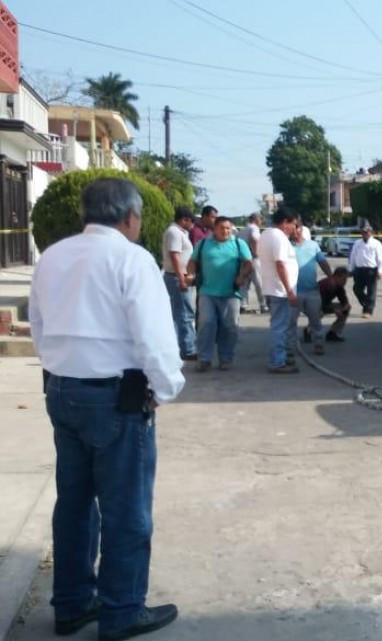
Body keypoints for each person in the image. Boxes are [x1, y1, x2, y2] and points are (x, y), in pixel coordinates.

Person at [28, 178, 184, 640]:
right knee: (126, 508)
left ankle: (73, 604)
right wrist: (166, 386)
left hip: (63, 390)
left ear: (85, 214)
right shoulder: (131, 258)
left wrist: (62, 366)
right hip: (115, 397)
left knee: (74, 503)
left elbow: (38, 324)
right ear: (130, 217)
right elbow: (153, 335)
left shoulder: (53, 255)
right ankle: (121, 611)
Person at [187, 217, 252, 372]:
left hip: (231, 293)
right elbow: (193, 262)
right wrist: (190, 275)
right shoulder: (203, 244)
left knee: (229, 327)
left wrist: (241, 276)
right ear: (214, 229)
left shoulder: (238, 244)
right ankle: (204, 359)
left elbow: (248, 263)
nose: (226, 231)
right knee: (206, 323)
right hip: (207, 292)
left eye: (228, 228)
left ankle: (226, 358)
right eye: (222, 228)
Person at [259, 208, 300, 373]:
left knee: (279, 326)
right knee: (280, 327)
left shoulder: (266, 234)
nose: (294, 229)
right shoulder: (279, 238)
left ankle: (279, 357)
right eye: (293, 225)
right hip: (281, 290)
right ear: (285, 223)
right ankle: (277, 361)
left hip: (274, 288)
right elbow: (280, 264)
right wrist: (289, 291)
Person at [291, 224, 333, 355]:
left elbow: (323, 262)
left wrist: (330, 277)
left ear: (301, 230)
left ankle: (319, 343)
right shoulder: (286, 246)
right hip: (294, 290)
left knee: (315, 318)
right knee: (291, 321)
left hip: (311, 290)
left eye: (297, 228)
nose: (295, 231)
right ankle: (289, 347)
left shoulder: (313, 246)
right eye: (292, 229)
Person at [161, 207, 197, 361]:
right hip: (177, 276)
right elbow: (175, 256)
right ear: (184, 220)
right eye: (191, 221)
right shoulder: (174, 233)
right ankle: (188, 349)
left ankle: (185, 346)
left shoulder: (180, 232)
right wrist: (181, 279)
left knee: (183, 313)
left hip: (179, 276)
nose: (193, 225)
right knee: (184, 314)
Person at [348, 223, 382, 318]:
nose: (366, 233)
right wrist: (351, 269)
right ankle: (367, 304)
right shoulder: (357, 243)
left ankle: (368, 310)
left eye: (368, 232)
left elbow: (381, 258)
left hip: (371, 270)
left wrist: (380, 271)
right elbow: (353, 257)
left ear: (371, 232)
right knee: (357, 289)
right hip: (359, 270)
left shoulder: (376, 244)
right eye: (364, 232)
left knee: (371, 291)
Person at [238, 213, 269, 314]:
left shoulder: (243, 230)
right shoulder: (254, 228)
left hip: (242, 259)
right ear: (256, 220)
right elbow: (255, 239)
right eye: (261, 220)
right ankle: (263, 305)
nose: (261, 222)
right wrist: (256, 254)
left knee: (244, 283)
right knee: (259, 283)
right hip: (252, 258)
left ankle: (243, 305)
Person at [317, 267, 352, 343]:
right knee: (319, 312)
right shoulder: (325, 284)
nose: (345, 282)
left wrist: (345, 306)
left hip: (325, 304)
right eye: (343, 279)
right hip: (313, 304)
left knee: (347, 308)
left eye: (346, 279)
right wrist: (333, 310)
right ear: (336, 277)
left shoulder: (339, 286)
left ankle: (333, 333)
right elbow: (320, 303)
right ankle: (308, 330)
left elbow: (343, 298)